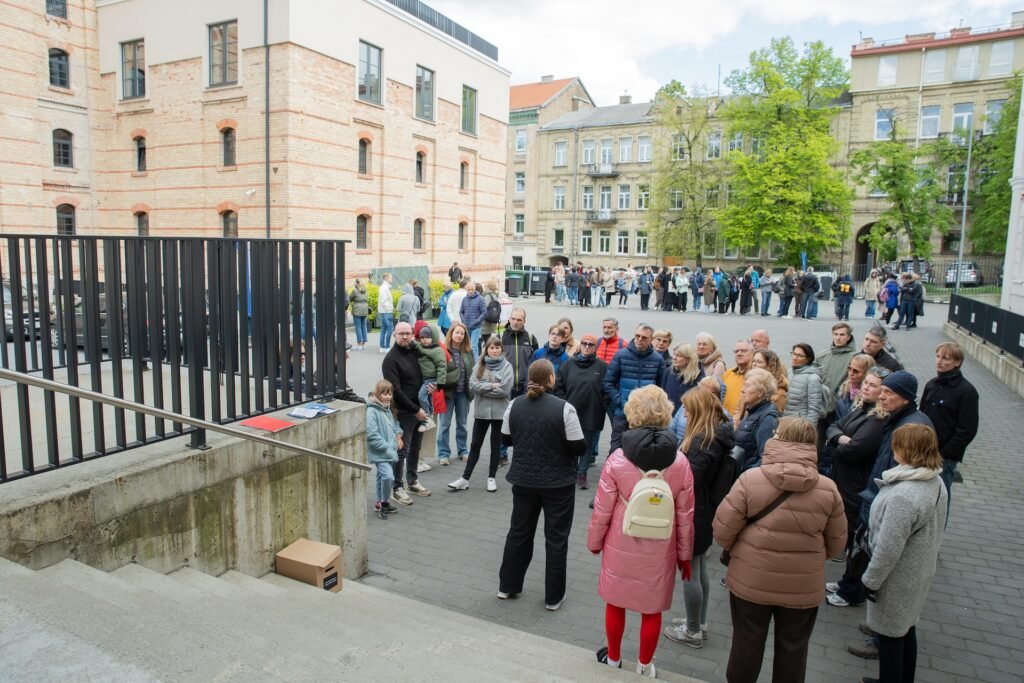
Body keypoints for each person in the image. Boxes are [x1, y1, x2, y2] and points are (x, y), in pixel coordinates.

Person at [714, 416, 847, 683]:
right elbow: (836, 544)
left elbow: (722, 530)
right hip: (803, 585)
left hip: (751, 578)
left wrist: (742, 551)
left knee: (746, 643)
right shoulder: (828, 489)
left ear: (779, 438)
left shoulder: (751, 479)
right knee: (794, 648)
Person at [588, 385, 695, 677]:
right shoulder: (680, 461)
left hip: (621, 540)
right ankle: (645, 665)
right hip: (661, 546)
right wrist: (684, 555)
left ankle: (612, 658)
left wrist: (595, 542)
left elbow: (602, 509)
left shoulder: (618, 459)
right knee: (651, 609)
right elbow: (686, 514)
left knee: (616, 602)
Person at [860, 424, 947, 683]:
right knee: (906, 630)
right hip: (918, 571)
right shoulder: (935, 479)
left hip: (898, 578)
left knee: (890, 638)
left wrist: (870, 580)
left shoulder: (905, 495)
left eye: (896, 444)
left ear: (906, 450)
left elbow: (889, 546)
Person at [497, 359, 585, 610]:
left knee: (518, 532)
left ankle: (507, 585)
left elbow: (506, 438)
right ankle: (553, 596)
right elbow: (579, 445)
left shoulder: (514, 405)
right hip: (558, 483)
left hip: (524, 480)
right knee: (556, 538)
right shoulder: (565, 409)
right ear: (551, 379)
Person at [664, 387, 733, 649]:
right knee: (700, 568)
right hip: (706, 510)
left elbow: (689, 479)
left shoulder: (702, 441)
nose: (686, 413)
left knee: (689, 571)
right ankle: (700, 622)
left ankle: (692, 630)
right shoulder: (719, 433)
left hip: (695, 511)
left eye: (689, 409)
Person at [823, 366, 886, 606]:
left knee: (855, 539)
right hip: (844, 478)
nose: (866, 387)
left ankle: (852, 591)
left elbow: (854, 450)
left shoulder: (877, 419)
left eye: (872, 385)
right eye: (866, 383)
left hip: (856, 484)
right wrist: (839, 438)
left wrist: (837, 441)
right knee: (850, 534)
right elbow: (834, 426)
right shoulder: (861, 408)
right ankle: (846, 581)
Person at [448, 336, 513, 493]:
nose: (495, 350)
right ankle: (465, 479)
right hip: (481, 412)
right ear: (487, 349)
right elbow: (472, 386)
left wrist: (483, 389)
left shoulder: (507, 366)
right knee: (475, 445)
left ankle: (491, 478)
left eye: (497, 347)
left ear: (501, 349)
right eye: (491, 348)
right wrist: (491, 385)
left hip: (499, 413)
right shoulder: (480, 364)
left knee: (495, 446)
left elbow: (504, 390)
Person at [920, 342, 979, 511]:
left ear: (957, 362)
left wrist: (943, 454)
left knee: (939, 500)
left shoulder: (967, 392)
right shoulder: (932, 384)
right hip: (923, 451)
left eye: (946, 358)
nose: (939, 361)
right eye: (938, 356)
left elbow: (967, 430)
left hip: (943, 457)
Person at [380, 322, 432, 504]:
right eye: (401, 334)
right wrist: (415, 410)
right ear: (394, 335)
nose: (405, 337)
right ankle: (397, 487)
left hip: (420, 408)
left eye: (408, 333)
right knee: (402, 450)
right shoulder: (390, 359)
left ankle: (412, 480)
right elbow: (396, 391)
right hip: (404, 411)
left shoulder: (415, 351)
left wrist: (430, 387)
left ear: (412, 335)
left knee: (416, 448)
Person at [555, 333, 609, 489]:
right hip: (570, 412)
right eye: (584, 343)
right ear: (580, 346)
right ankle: (571, 469)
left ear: (595, 348)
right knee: (570, 442)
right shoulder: (568, 365)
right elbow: (559, 387)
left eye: (590, 344)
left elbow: (607, 389)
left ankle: (582, 472)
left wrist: (602, 405)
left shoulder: (602, 367)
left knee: (587, 444)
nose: (587, 346)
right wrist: (563, 405)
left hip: (592, 412)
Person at [603, 324, 663, 452]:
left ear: (651, 339)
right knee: (616, 449)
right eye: (637, 336)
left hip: (647, 415)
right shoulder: (621, 355)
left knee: (641, 451)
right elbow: (608, 382)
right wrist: (620, 402)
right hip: (623, 412)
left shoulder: (657, 359)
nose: (639, 339)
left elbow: (661, 389)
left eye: (644, 338)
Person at [436, 322, 472, 466]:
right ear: (451, 334)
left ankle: (463, 450)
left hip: (463, 393)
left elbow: (472, 371)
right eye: (457, 332)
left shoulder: (468, 351)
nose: (459, 335)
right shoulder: (443, 350)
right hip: (448, 394)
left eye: (462, 333)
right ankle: (443, 453)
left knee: (462, 424)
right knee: (445, 424)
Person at [366, 379, 402, 520]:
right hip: (382, 452)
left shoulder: (387, 407)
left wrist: (398, 435)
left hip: (391, 450)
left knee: (382, 477)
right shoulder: (372, 411)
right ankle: (385, 504)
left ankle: (379, 502)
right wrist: (387, 447)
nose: (387, 397)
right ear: (377, 393)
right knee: (388, 476)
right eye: (384, 394)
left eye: (390, 393)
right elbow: (371, 434)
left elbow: (395, 423)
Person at [733, 368, 780, 470]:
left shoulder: (768, 418)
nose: (742, 390)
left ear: (761, 392)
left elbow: (765, 458)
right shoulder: (752, 412)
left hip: (747, 478)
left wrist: (746, 475)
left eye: (747, 386)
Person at [415, 325, 446, 434]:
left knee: (421, 396)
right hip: (425, 379)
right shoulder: (421, 347)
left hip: (431, 380)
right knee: (428, 398)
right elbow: (415, 344)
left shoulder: (437, 350)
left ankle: (426, 419)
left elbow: (442, 367)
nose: (424, 339)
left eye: (427, 337)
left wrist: (440, 383)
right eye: (422, 337)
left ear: (433, 337)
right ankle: (431, 414)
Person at [784, 343, 826, 425]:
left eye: (799, 356)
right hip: (785, 421)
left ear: (808, 359)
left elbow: (814, 409)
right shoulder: (789, 372)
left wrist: (809, 430)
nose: (795, 358)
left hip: (799, 425)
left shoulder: (813, 378)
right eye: (794, 354)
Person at [660, 343, 704, 414]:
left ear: (688, 359)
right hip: (669, 415)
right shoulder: (669, 371)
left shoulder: (698, 376)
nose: (674, 358)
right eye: (674, 354)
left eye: (678, 356)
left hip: (688, 416)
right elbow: (663, 394)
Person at [818, 322, 857, 395]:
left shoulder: (854, 358)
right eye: (836, 334)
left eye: (842, 335)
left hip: (837, 401)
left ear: (848, 337)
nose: (838, 338)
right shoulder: (823, 353)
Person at [835, 353, 877, 421]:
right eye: (849, 368)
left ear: (867, 374)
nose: (851, 373)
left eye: (856, 371)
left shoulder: (867, 397)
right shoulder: (844, 387)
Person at [722, 339, 754, 421]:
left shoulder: (755, 376)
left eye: (743, 351)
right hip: (724, 421)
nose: (739, 353)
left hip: (741, 423)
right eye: (736, 351)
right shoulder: (728, 373)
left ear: (753, 353)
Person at [752, 349, 788, 413]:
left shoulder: (779, 393)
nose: (754, 364)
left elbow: (772, 418)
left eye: (759, 362)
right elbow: (740, 409)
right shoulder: (750, 384)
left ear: (770, 366)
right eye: (753, 361)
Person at [459, 282, 486, 360]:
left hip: (476, 327)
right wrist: (463, 321)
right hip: (466, 327)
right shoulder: (464, 299)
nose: (470, 291)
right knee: (466, 345)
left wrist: (477, 321)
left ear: (475, 289)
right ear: (466, 289)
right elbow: (461, 311)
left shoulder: (480, 299)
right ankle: (468, 362)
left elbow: (484, 312)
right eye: (469, 290)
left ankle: (476, 365)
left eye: (472, 289)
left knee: (474, 346)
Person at [349, 278, 369, 350]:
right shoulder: (366, 291)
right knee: (364, 326)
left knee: (358, 327)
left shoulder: (355, 291)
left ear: (357, 284)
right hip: (365, 310)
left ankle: (359, 344)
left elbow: (350, 299)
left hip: (357, 309)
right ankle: (364, 344)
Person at [377, 272, 395, 353]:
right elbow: (384, 301)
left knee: (384, 329)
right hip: (386, 312)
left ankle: (382, 347)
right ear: (387, 278)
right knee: (389, 329)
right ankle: (386, 347)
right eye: (390, 277)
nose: (392, 279)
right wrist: (389, 309)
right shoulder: (384, 288)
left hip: (385, 311)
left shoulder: (385, 287)